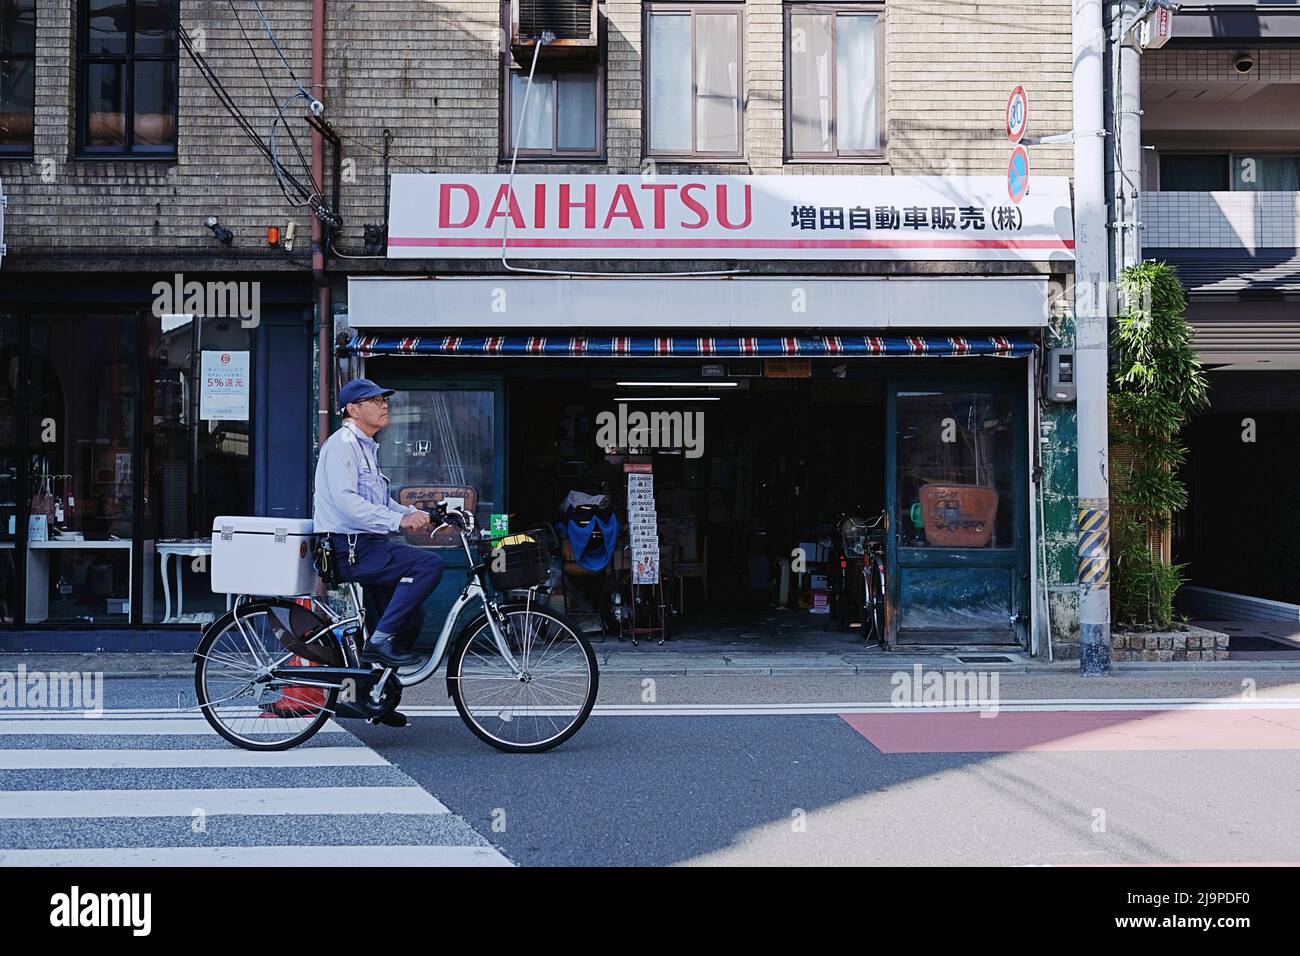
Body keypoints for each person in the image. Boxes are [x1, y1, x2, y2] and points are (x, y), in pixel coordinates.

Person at [313, 379, 445, 688]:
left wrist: (415, 515)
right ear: (353, 409)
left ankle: (376, 694)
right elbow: (348, 503)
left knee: (410, 617)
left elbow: (380, 502)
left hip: (367, 545)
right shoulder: (343, 445)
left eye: (384, 400)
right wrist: (398, 522)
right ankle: (378, 642)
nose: (384, 405)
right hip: (349, 547)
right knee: (429, 565)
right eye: (374, 400)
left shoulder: (364, 447)